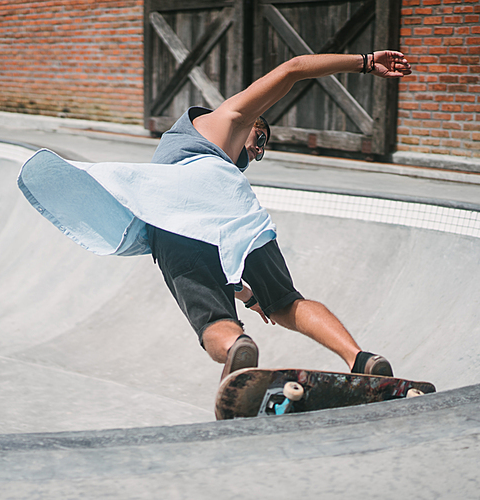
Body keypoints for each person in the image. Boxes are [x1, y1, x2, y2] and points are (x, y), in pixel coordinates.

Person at [147, 50, 412, 381]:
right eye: (259, 140)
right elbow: (293, 68)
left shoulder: (180, 148)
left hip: (170, 220)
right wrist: (366, 61)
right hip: (221, 204)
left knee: (216, 319)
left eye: (261, 151)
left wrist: (249, 296)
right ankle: (358, 358)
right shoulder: (229, 117)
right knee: (287, 302)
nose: (257, 151)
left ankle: (238, 346)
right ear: (252, 121)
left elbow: (217, 260)